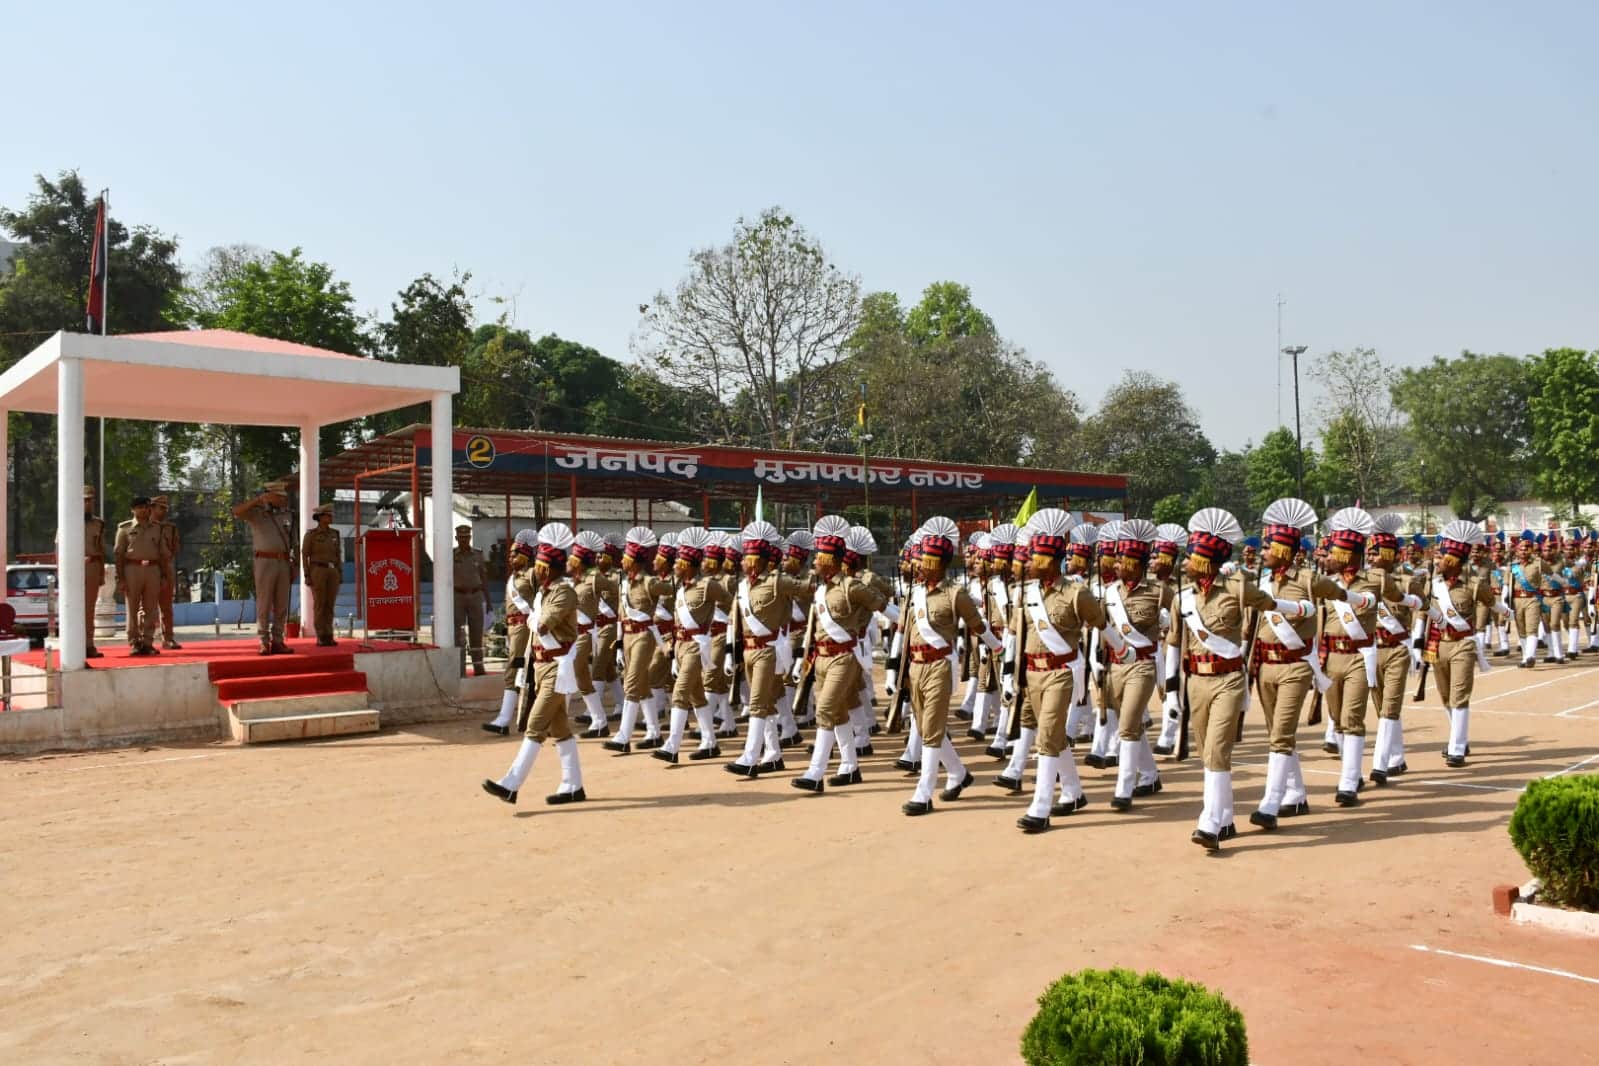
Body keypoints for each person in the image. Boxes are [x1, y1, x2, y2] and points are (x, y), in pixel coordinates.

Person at [482, 522, 587, 806]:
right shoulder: (544, 591)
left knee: (535, 725)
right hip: (541, 667)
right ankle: (573, 785)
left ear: (551, 567)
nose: (536, 569)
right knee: (561, 729)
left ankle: (511, 784)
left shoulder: (564, 592)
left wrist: (532, 619)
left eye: (541, 565)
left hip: (558, 669)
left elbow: (540, 625)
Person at [899, 516, 998, 815]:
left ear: (941, 563)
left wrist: (1000, 649)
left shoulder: (955, 593)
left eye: (927, 561)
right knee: (928, 727)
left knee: (930, 729)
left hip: (939, 666)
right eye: (921, 560)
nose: (921, 565)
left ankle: (924, 792)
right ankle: (958, 773)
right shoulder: (914, 593)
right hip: (915, 666)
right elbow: (904, 630)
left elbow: (978, 626)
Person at [1013, 509, 1104, 832]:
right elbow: (1018, 633)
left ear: (1050, 560)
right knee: (1052, 735)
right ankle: (1074, 792)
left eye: (1034, 558)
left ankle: (1040, 807)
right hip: (1033, 673)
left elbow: (1101, 623)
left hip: (1062, 672)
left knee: (1048, 737)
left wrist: (1117, 653)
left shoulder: (1077, 593)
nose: (1027, 563)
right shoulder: (1026, 593)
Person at [1169, 507, 1250, 851]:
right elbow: (1175, 645)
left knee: (1217, 749)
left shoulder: (1236, 590)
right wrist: (1172, 692)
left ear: (1205, 561)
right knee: (1208, 753)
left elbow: (1264, 607)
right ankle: (1227, 817)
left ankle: (1210, 821)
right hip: (1196, 682)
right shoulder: (1182, 599)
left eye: (1190, 558)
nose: (1184, 563)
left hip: (1228, 680)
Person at [791, 515, 887, 795]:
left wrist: (906, 623)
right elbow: (814, 627)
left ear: (833, 561)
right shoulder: (821, 590)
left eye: (820, 558)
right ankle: (849, 766)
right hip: (821, 657)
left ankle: (815, 771)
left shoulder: (852, 587)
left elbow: (881, 605)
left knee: (824, 710)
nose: (815, 563)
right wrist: (804, 658)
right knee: (840, 711)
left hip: (845, 657)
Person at [726, 520, 811, 779]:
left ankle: (750, 757)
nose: (742, 562)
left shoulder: (778, 581)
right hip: (749, 651)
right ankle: (773, 755)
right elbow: (736, 622)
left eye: (747, 558)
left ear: (758, 560)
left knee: (757, 704)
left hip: (770, 650)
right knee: (770, 703)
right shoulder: (742, 587)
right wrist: (731, 653)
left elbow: (810, 590)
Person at [1099, 519, 1172, 811]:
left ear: (1136, 562)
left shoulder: (1160, 591)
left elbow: (1179, 622)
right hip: (1116, 666)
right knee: (1133, 724)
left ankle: (1123, 788)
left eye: (1122, 558)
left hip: (1143, 665)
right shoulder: (1110, 593)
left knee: (1128, 726)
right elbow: (1102, 630)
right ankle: (1151, 776)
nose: (1116, 563)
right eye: (1116, 557)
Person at [652, 527, 733, 765]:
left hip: (698, 646)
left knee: (680, 693)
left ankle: (672, 746)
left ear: (688, 565)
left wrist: (719, 626)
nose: (675, 564)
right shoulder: (681, 588)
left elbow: (731, 604)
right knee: (697, 696)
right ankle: (710, 743)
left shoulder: (708, 585)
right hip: (681, 645)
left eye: (679, 561)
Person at [1426, 521, 1497, 768]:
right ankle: (1460, 737)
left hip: (1463, 644)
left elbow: (1492, 602)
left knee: (1459, 695)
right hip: (1438, 645)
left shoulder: (1474, 584)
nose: (1439, 562)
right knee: (1445, 697)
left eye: (1443, 558)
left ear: (1455, 560)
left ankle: (1456, 748)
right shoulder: (1431, 583)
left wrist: (1505, 612)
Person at [1367, 512, 1426, 786]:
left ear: (1390, 554)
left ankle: (1379, 765)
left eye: (1376, 552)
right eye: (1369, 552)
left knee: (1390, 707)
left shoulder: (1407, 581)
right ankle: (1397, 758)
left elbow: (1424, 607)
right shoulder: (1364, 581)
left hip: (1397, 648)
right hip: (1372, 649)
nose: (1371, 557)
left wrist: (1418, 642)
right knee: (1382, 707)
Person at [604, 527, 673, 753]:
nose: (622, 561)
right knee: (641, 685)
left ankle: (624, 736)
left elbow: (675, 588)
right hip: (629, 636)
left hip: (645, 636)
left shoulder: (649, 582)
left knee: (631, 683)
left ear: (634, 561)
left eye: (625, 557)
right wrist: (619, 644)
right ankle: (654, 733)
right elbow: (622, 616)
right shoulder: (625, 584)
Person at [232, 479, 297, 655]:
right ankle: (263, 641)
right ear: (269, 497)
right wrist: (257, 500)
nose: (284, 500)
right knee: (264, 603)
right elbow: (236, 511)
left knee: (282, 604)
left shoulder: (288, 515)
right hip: (264, 561)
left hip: (283, 562)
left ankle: (278, 641)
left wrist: (295, 565)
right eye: (279, 497)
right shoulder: (257, 514)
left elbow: (294, 542)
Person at [483, 531, 536, 735]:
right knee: (520, 672)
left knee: (514, 671)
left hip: (525, 628)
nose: (510, 557)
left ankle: (504, 719)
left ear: (524, 556)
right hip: (513, 629)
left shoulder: (532, 574)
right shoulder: (513, 577)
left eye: (514, 554)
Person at [114, 496, 169, 656]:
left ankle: (148, 642)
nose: (143, 510)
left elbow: (163, 554)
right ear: (133, 510)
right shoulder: (124, 528)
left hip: (153, 569)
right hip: (132, 569)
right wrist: (120, 578)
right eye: (139, 507)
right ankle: (134, 642)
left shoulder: (157, 528)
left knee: (151, 608)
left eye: (145, 507)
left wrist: (164, 575)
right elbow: (119, 555)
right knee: (132, 608)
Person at [567, 530, 610, 737]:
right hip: (573, 635)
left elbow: (620, 590)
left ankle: (556, 719)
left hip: (585, 634)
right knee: (582, 678)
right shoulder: (575, 580)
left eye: (572, 557)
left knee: (570, 673)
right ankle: (600, 721)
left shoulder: (595, 579)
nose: (568, 560)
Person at [301, 503, 343, 646]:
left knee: (330, 605)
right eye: (328, 515)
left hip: (332, 571)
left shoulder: (335, 533)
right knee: (320, 604)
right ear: (320, 517)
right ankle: (320, 636)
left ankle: (329, 635)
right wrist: (307, 574)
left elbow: (338, 555)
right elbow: (304, 554)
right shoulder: (311, 535)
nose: (331, 517)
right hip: (317, 570)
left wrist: (339, 572)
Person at [453, 524, 488, 675]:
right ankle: (460, 669)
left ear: (470, 538)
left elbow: (484, 578)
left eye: (466, 537)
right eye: (461, 538)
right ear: (456, 538)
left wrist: (489, 601)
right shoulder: (451, 555)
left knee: (477, 633)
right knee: (458, 635)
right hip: (458, 596)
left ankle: (478, 667)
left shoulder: (478, 555)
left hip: (475, 595)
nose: (464, 540)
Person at [150, 495, 182, 649]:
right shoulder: (145, 526)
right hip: (149, 568)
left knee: (166, 607)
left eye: (165, 508)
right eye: (161, 507)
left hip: (166, 568)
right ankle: (145, 639)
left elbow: (175, 548)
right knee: (146, 608)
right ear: (152, 507)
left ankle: (168, 638)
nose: (164, 511)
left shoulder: (171, 528)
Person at [1508, 531, 1544, 668]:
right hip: (1517, 600)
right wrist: (1506, 602)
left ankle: (1530, 656)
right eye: (1521, 549)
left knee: (1531, 628)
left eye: (1526, 549)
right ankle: (1525, 657)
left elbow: (1552, 575)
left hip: (1532, 599)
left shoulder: (1538, 563)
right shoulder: (1513, 566)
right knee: (1521, 630)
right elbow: (1507, 584)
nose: (1523, 551)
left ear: (1531, 550)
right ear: (1517, 550)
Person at [81, 486, 107, 660]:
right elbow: (58, 548)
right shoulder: (67, 520)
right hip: (73, 567)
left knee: (89, 609)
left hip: (92, 566)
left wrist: (100, 573)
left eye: (90, 500)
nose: (88, 503)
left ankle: (89, 644)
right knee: (73, 608)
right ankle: (74, 644)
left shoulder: (98, 523)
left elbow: (101, 549)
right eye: (85, 500)